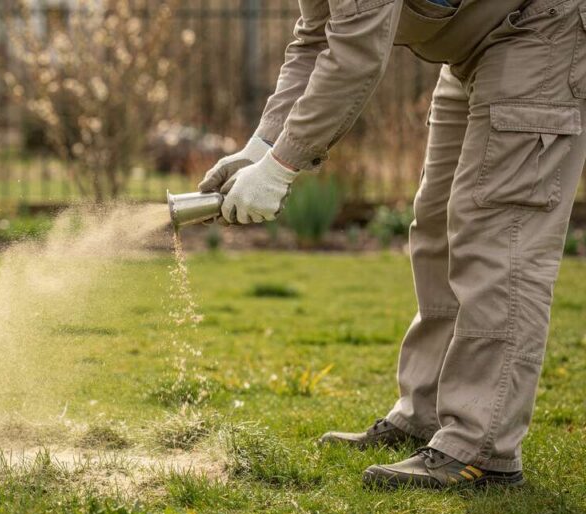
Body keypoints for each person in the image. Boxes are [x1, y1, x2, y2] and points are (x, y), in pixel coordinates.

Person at [199, 0, 586, 489]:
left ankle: (480, 449)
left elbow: (356, 54)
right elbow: (317, 39)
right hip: (471, 47)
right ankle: (424, 414)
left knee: (496, 233)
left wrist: (280, 169)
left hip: (541, 28)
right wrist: (259, 149)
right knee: (437, 226)